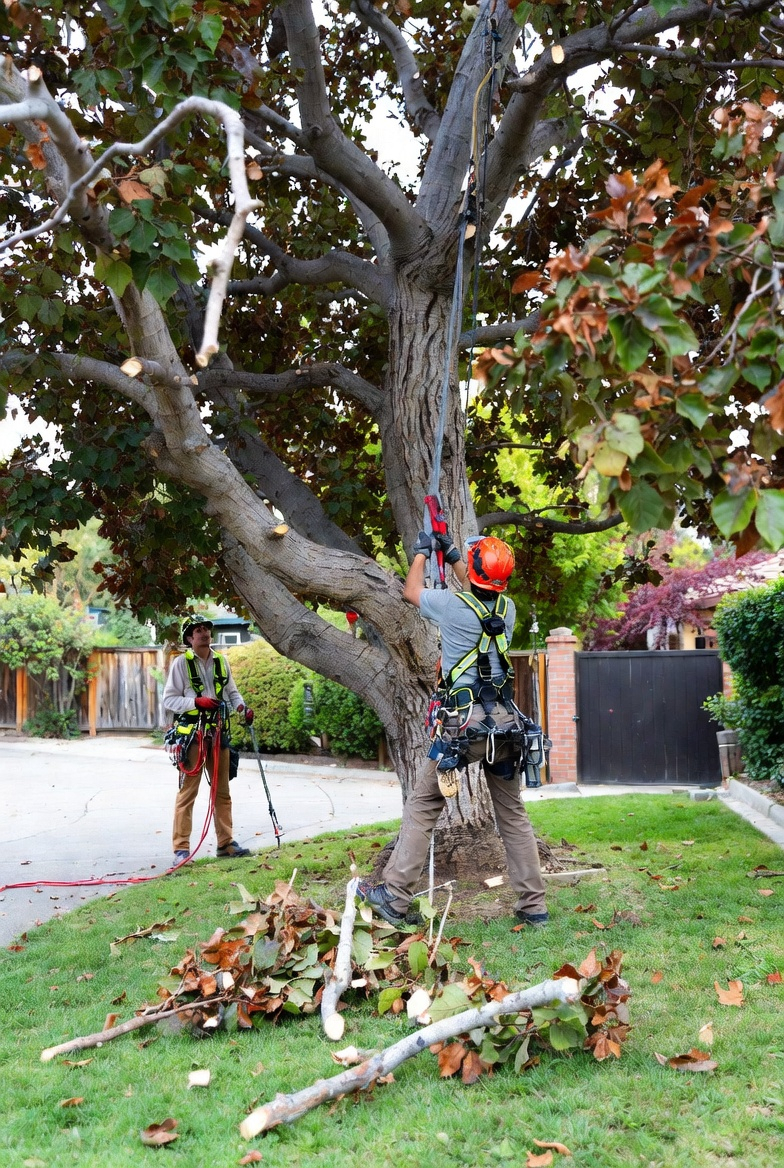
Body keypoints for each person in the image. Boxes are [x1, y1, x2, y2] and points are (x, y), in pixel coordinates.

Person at [357, 532, 548, 928]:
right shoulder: (508, 608)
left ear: (475, 573)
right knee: (512, 814)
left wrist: (422, 554)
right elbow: (479, 589)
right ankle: (534, 907)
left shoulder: (452, 605)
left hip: (462, 729)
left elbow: (411, 592)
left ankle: (394, 897)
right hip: (504, 726)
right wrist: (457, 555)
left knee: (423, 805)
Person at [162, 616, 254, 863]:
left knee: (222, 792)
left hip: (218, 734)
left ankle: (226, 844)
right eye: (198, 631)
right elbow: (169, 700)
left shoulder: (221, 661)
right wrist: (196, 702)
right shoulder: (181, 664)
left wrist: (242, 708)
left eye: (206, 630)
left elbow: (232, 692)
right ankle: (181, 850)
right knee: (187, 793)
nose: (204, 633)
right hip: (193, 737)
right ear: (189, 638)